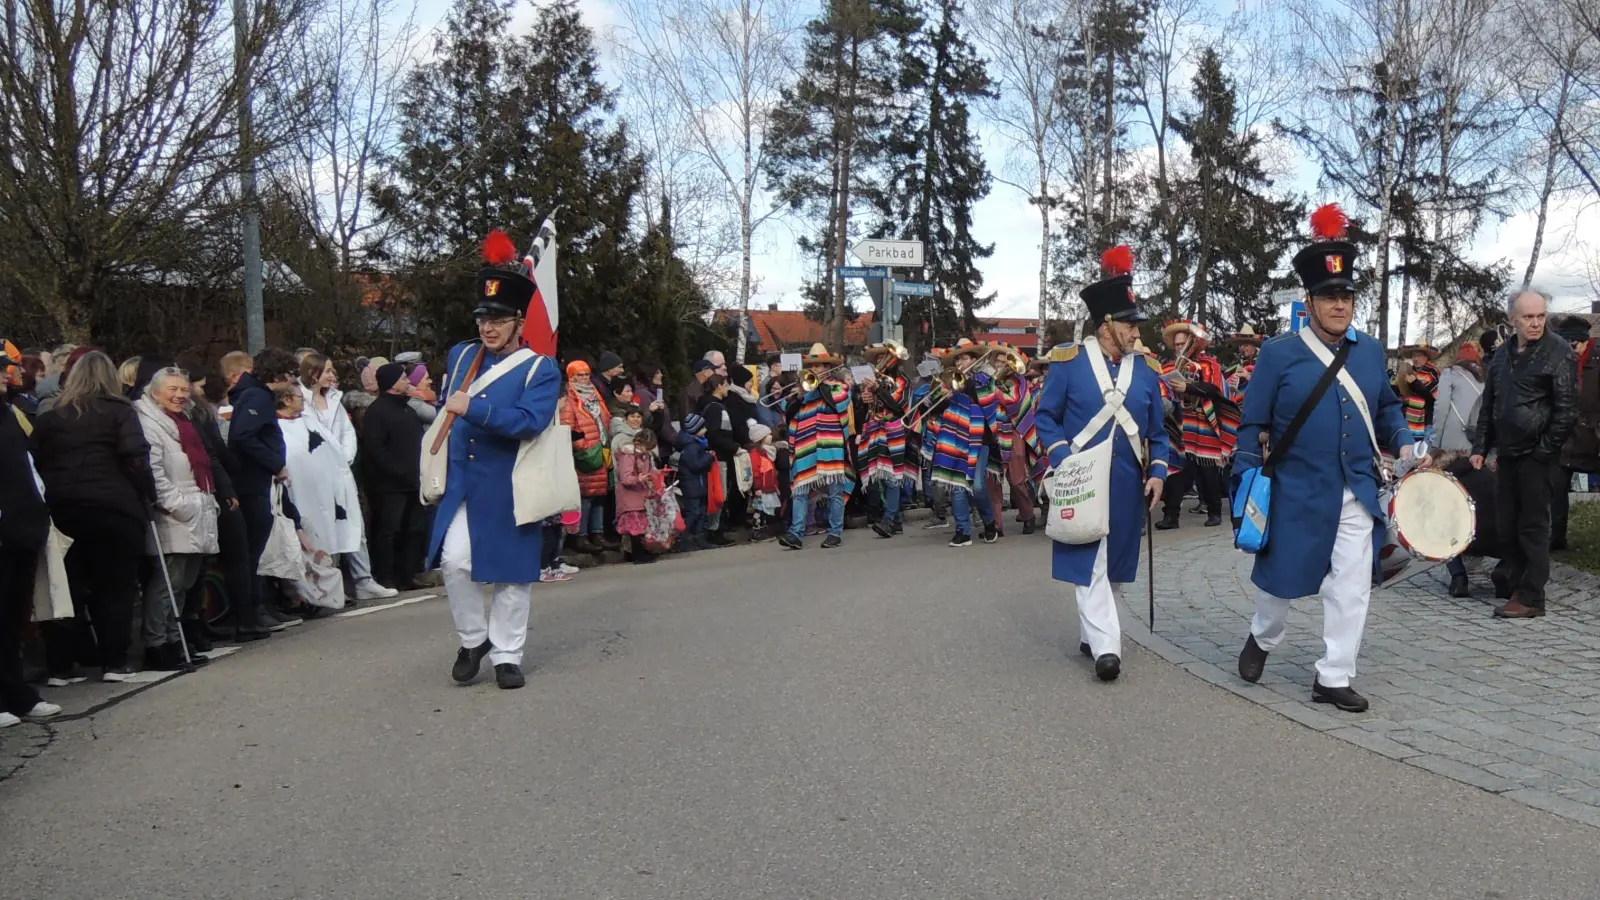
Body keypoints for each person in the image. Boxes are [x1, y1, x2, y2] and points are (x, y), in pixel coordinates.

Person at [1233, 204, 1422, 713]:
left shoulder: (1370, 351)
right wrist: (1245, 479)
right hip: (1295, 489)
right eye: (1329, 296)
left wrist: (1404, 440)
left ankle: (1334, 675)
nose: (1340, 305)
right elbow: (1253, 423)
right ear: (1310, 302)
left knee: (1351, 586)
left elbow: (1386, 407)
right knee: (1280, 579)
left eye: (1347, 296)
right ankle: (1263, 635)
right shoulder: (1279, 353)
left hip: (1356, 487)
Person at [432, 230, 563, 690]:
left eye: (499, 319)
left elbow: (531, 421)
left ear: (519, 322)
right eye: (483, 317)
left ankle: (508, 653)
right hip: (465, 480)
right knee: (454, 561)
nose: (488, 328)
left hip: (512, 483)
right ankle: (473, 640)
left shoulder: (540, 368)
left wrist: (477, 409)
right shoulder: (462, 355)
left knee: (512, 573)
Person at [1036, 245, 1171, 681]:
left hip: (1128, 481)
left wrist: (1158, 472)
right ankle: (1108, 648)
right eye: (1130, 324)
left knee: (1111, 564)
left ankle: (1090, 633)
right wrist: (1062, 458)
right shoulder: (1069, 362)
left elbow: (1158, 433)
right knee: (1089, 558)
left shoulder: (1146, 370)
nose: (1136, 332)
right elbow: (1045, 417)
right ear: (1107, 324)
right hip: (1081, 479)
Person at [32, 351, 159, 682]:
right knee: (115, 587)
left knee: (66, 587)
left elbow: (38, 461)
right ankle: (114, 661)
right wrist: (149, 494)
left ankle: (61, 665)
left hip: (64, 508)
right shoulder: (120, 412)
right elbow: (136, 458)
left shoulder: (50, 417)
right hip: (115, 507)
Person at [1470, 289, 1578, 618]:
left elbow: (1566, 411)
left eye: (1541, 316)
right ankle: (1514, 580)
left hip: (1537, 455)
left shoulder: (1558, 352)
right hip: (1507, 453)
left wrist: (1543, 451)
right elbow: (1490, 405)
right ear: (1512, 320)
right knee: (1506, 525)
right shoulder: (1502, 355)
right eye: (1528, 317)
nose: (1535, 323)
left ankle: (1532, 596)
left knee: (1532, 526)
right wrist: (1480, 446)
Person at [135, 367, 220, 672]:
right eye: (172, 389)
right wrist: (181, 507)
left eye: (184, 389)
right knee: (166, 585)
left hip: (196, 511)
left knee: (183, 585)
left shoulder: (183, 422)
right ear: (155, 392)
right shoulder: (149, 424)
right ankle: (157, 644)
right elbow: (154, 474)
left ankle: (175, 640)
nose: (180, 395)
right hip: (173, 515)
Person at [223, 347, 302, 638]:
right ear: (278, 374)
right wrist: (275, 463)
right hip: (251, 482)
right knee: (252, 552)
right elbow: (243, 435)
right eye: (291, 375)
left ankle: (255, 611)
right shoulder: (257, 397)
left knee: (252, 552)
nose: (293, 381)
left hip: (251, 480)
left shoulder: (252, 395)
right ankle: (249, 616)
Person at [299, 352, 390, 601]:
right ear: (313, 373)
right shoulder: (300, 401)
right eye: (328, 370)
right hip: (316, 475)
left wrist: (344, 458)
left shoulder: (335, 400)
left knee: (353, 525)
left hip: (340, 471)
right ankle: (330, 585)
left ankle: (364, 580)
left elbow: (347, 434)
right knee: (323, 530)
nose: (332, 375)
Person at [0, 388, 62, 726]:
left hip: (21, 527)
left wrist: (39, 507)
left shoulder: (9, 414)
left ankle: (17, 695)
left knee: (13, 618)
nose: (5, 375)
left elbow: (27, 463)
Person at [1157, 320, 1234, 529]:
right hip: (1178, 422)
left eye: (1183, 343)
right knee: (1175, 471)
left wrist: (1188, 387)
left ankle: (1214, 511)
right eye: (1176, 344)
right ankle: (1171, 516)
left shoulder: (1208, 364)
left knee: (1207, 470)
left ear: (1193, 342)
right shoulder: (1168, 366)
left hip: (1202, 421)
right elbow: (1162, 391)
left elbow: (1214, 390)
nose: (1179, 348)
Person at [777, 344, 852, 550]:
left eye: (818, 366)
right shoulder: (803, 390)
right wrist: (799, 396)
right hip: (805, 445)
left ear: (827, 367)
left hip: (831, 445)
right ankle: (796, 533)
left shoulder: (838, 387)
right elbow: (788, 414)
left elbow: (839, 402)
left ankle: (835, 533)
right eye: (812, 366)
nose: (814, 369)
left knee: (835, 492)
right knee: (800, 491)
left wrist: (817, 385)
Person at [360, 363, 428, 591]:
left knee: (413, 529)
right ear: (391, 383)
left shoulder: (408, 410)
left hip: (413, 481)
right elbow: (375, 448)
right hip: (388, 485)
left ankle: (407, 574)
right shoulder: (377, 412)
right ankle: (385, 575)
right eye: (403, 378)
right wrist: (397, 471)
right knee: (388, 530)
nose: (408, 381)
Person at [929, 341, 1000, 548]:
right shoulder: (947, 381)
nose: (961, 362)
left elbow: (988, 407)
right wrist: (945, 397)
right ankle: (963, 531)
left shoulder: (984, 380)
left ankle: (989, 523)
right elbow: (933, 409)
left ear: (974, 360)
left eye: (965, 358)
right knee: (957, 484)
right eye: (958, 359)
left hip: (980, 439)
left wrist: (963, 386)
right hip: (954, 438)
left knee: (977, 486)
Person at [1551, 315, 1597, 551]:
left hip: (1595, 439)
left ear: (1585, 341)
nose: (1570, 350)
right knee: (1557, 488)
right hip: (1567, 439)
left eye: (1574, 344)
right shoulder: (1561, 361)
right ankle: (1557, 537)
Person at [561, 359, 615, 554]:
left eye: (586, 374)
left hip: (601, 450)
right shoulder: (569, 399)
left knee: (600, 494)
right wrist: (582, 447)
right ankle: (581, 536)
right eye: (579, 375)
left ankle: (597, 533)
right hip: (586, 454)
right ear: (571, 377)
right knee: (586, 496)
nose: (584, 378)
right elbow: (567, 426)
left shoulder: (594, 395)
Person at [857, 344, 911, 538]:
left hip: (895, 430)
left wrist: (878, 389)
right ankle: (896, 522)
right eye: (879, 358)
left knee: (892, 477)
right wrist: (863, 399)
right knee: (881, 476)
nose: (883, 361)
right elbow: (867, 410)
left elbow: (898, 406)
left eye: (886, 357)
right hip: (875, 429)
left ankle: (888, 520)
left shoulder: (902, 380)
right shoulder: (875, 380)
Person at [615, 425, 661, 564]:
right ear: (638, 444)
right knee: (635, 528)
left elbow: (649, 470)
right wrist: (638, 479)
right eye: (646, 448)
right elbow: (625, 478)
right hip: (630, 497)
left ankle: (641, 551)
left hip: (641, 495)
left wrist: (655, 475)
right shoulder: (628, 456)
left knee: (642, 525)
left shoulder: (644, 455)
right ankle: (637, 554)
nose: (647, 451)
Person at [1432, 342, 1484, 454]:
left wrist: (1436, 441)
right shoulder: (1486, 377)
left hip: (1453, 438)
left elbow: (1441, 407)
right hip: (1479, 441)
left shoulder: (1450, 373)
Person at [674, 413, 715, 550]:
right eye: (702, 428)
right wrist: (709, 457)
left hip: (698, 484)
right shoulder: (691, 446)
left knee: (701, 512)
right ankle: (683, 538)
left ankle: (699, 537)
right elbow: (696, 465)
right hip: (692, 485)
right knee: (694, 512)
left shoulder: (697, 444)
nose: (706, 430)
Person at [1397, 343, 1441, 440]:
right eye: (1414, 356)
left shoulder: (1432, 372)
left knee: (1423, 448)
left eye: (1419, 356)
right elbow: (1404, 394)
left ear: (1426, 358)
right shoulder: (1409, 371)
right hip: (1408, 418)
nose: (1416, 359)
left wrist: (1415, 383)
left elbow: (1431, 398)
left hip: (1427, 421)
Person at [1223, 325, 1263, 406]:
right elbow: (1224, 381)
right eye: (1240, 345)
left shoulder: (1262, 360)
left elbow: (1266, 386)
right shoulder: (1236, 363)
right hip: (1236, 406)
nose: (1242, 348)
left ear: (1253, 345)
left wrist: (1248, 376)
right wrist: (1229, 384)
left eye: (1245, 345)